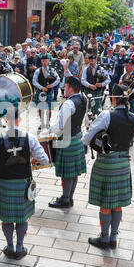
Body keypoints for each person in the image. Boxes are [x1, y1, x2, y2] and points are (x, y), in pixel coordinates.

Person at [0, 108, 49, 260]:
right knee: (22, 217)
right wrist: (32, 160)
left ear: (6, 120)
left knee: (7, 218)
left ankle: (9, 247)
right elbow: (45, 160)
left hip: (5, 184)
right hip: (23, 185)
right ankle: (19, 248)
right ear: (19, 119)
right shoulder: (30, 138)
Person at [82, 84, 134, 250]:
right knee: (117, 203)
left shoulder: (107, 115)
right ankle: (113, 238)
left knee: (105, 203)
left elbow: (87, 138)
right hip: (124, 163)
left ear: (114, 98)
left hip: (107, 163)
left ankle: (104, 239)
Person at [48, 77, 87, 208]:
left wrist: (47, 131)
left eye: (65, 86)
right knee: (73, 173)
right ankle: (69, 198)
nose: (64, 89)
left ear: (70, 88)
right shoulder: (83, 98)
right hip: (77, 137)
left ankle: (65, 200)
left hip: (67, 140)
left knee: (66, 174)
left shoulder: (68, 104)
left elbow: (60, 126)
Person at [32, 55, 61, 130]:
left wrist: (52, 85)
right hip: (40, 92)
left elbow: (58, 79)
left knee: (49, 109)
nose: (45, 62)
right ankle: (42, 123)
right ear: (41, 61)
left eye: (46, 61)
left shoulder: (52, 70)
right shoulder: (38, 71)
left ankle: (48, 123)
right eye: (43, 61)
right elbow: (34, 81)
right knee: (41, 108)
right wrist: (41, 87)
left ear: (48, 61)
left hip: (49, 92)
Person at [81, 53, 110, 118]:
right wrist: (89, 85)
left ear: (96, 60)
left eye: (93, 60)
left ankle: (96, 122)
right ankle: (88, 123)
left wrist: (101, 84)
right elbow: (83, 80)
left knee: (97, 109)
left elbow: (108, 80)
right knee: (88, 109)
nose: (91, 61)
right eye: (90, 60)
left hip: (98, 92)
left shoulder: (102, 69)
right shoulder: (86, 69)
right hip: (88, 91)